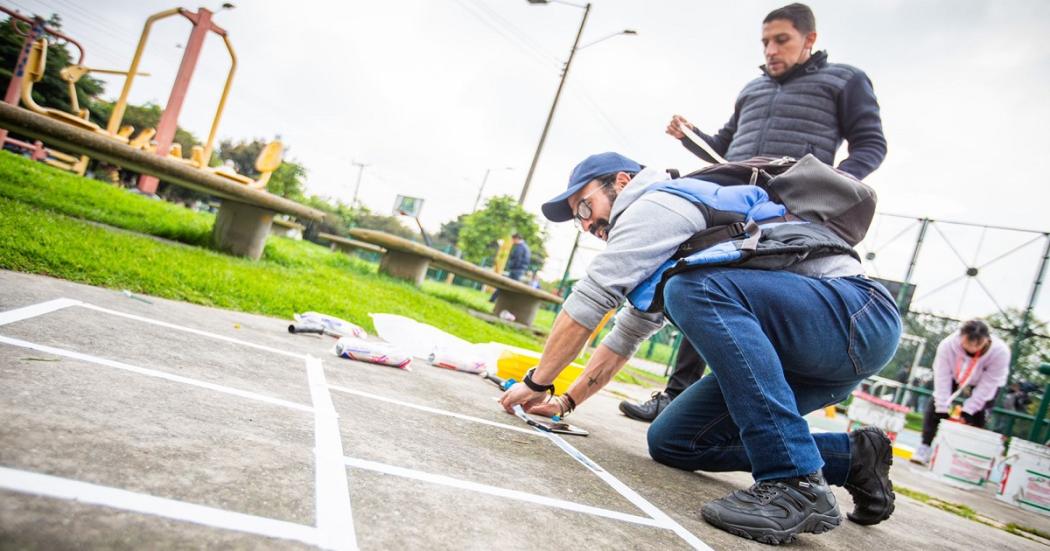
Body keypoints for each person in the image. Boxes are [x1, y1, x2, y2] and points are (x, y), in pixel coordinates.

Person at [499, 152, 901, 544]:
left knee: (694, 289)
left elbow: (591, 299)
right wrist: (565, 402)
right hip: (806, 354)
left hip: (855, 317)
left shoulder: (656, 203)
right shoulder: (666, 242)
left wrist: (537, 382)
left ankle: (794, 482)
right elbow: (625, 335)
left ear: (622, 182)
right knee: (675, 441)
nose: (587, 225)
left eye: (585, 208)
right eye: (578, 220)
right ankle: (853, 457)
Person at [621, 2, 888, 423]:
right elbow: (725, 148)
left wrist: (831, 185)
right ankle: (676, 395)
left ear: (810, 40)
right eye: (765, 41)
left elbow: (871, 144)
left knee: (759, 303)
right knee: (701, 279)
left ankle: (757, 411)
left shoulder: (845, 80)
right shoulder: (752, 89)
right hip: (736, 204)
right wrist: (691, 137)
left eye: (781, 40)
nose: (770, 50)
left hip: (792, 215)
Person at [911, 320, 1010, 465]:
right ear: (960, 336)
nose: (972, 348)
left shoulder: (1000, 352)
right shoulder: (947, 345)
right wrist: (942, 408)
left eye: (978, 344)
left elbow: (988, 385)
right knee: (935, 406)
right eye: (968, 342)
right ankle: (924, 446)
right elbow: (942, 377)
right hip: (955, 375)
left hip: (983, 381)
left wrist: (968, 411)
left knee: (979, 414)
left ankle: (966, 455)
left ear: (987, 339)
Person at [489, 233, 531, 302]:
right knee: (507, 286)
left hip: (516, 270)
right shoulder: (526, 247)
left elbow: (517, 259)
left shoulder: (520, 247)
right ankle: (494, 299)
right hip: (520, 270)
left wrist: (511, 266)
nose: (512, 241)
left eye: (513, 239)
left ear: (516, 238)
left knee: (505, 285)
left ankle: (493, 299)